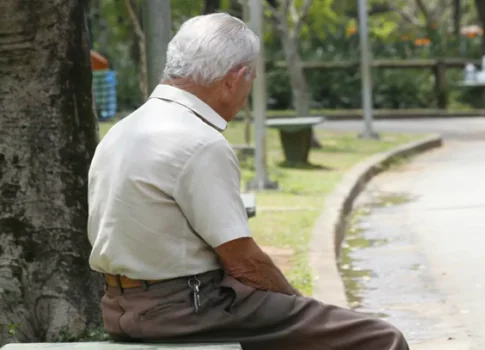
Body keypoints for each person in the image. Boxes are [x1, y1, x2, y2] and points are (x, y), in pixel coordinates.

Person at [87, 13, 410, 350]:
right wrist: (296, 305)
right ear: (235, 78)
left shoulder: (124, 129)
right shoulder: (199, 141)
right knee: (382, 339)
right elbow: (243, 262)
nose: (247, 93)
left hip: (119, 307)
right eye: (251, 79)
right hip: (186, 309)